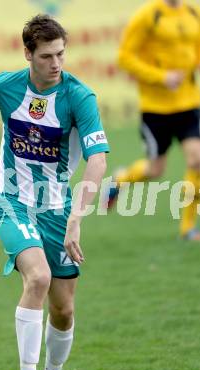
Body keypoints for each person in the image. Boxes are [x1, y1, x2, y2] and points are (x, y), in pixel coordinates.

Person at [0, 14, 109, 370]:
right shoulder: (6, 86)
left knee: (63, 310)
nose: (56, 64)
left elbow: (98, 159)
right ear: (27, 54)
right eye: (47, 56)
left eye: (61, 54)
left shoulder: (79, 96)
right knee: (38, 277)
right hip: (10, 197)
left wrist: (76, 219)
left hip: (58, 207)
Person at [107, 0, 200, 240]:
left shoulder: (193, 12)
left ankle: (187, 228)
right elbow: (124, 57)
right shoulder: (148, 16)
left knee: (197, 159)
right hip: (156, 108)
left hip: (189, 103)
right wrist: (161, 77)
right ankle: (120, 180)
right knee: (156, 169)